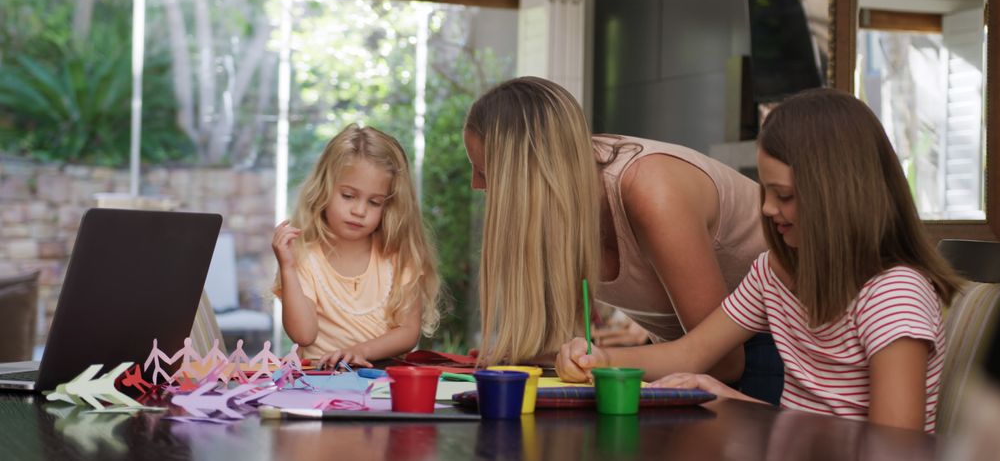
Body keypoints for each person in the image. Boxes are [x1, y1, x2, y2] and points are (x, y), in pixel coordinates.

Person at [556, 88, 963, 433]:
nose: (766, 208)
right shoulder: (774, 273)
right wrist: (601, 360)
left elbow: (892, 447)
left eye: (783, 195)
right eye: (766, 191)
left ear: (838, 194)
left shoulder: (894, 295)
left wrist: (744, 405)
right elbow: (692, 353)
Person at [464, 76, 779, 401]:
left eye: (486, 174)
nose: (476, 185)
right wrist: (542, 356)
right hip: (688, 361)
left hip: (779, 346)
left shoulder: (651, 190)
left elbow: (724, 363)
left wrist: (601, 360)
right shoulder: (554, 215)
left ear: (528, 172)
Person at [272, 124, 441, 367]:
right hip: (318, 384)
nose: (359, 211)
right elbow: (303, 335)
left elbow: (408, 332)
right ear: (324, 189)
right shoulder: (303, 257)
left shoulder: (399, 256)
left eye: (374, 202)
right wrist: (287, 268)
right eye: (348, 196)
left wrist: (360, 351)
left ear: (390, 207)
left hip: (380, 384)